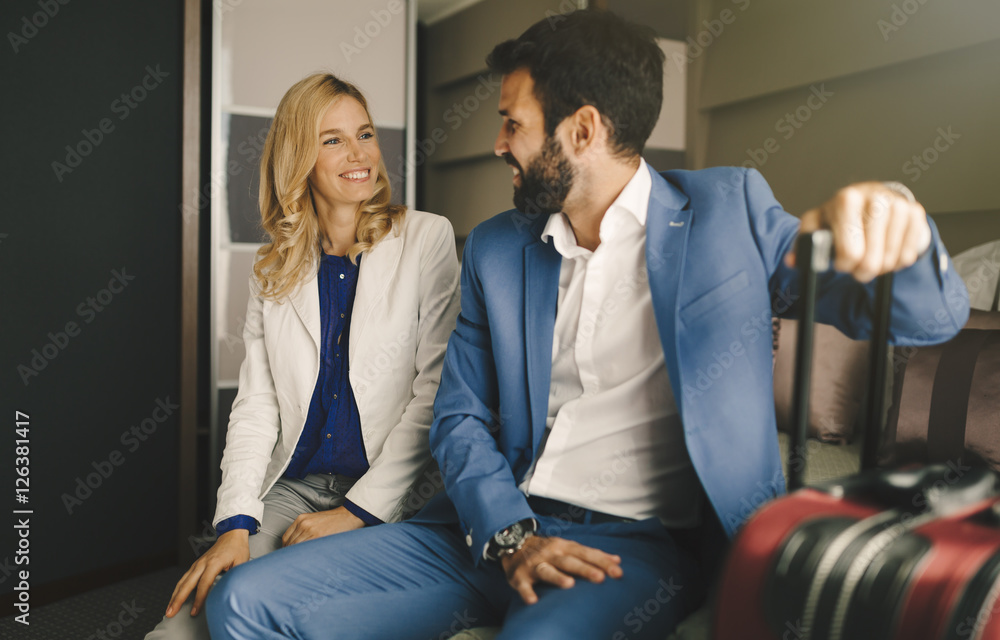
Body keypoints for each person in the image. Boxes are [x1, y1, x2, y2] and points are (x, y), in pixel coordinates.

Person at [204, 11, 970, 640]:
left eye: (513, 124)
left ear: (582, 129)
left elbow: (931, 318)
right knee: (244, 602)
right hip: (486, 529)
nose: (498, 144)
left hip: (631, 547)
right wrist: (508, 537)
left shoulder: (729, 212)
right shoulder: (499, 249)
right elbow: (460, 418)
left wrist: (896, 223)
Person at [145, 73, 460, 639]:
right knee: (174, 633)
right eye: (332, 139)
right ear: (299, 157)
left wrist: (355, 514)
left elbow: (434, 395)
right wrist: (236, 523)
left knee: (268, 615)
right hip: (297, 488)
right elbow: (256, 406)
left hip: (394, 495)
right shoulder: (273, 265)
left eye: (364, 133)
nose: (358, 153)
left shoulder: (425, 239)